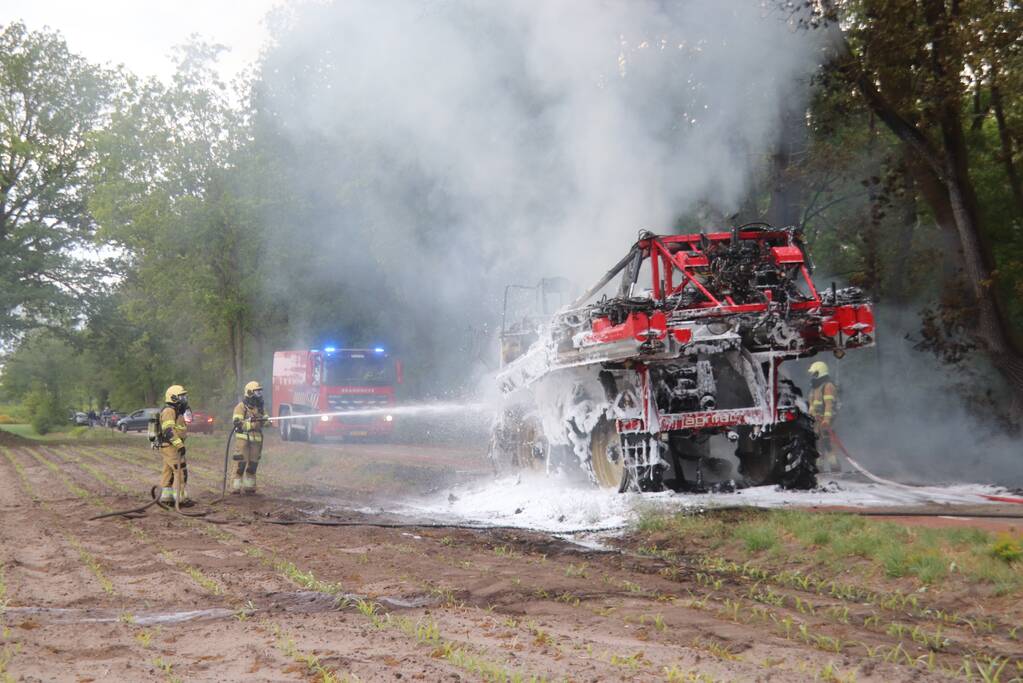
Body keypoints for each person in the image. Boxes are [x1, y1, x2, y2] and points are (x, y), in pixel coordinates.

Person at [231, 381, 266, 494]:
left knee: (253, 464)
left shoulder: (259, 407)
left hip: (256, 441)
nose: (259, 394)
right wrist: (252, 425)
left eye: (260, 391)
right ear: (250, 393)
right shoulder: (241, 407)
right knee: (240, 464)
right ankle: (235, 487)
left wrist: (267, 421)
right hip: (243, 440)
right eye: (257, 392)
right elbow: (237, 423)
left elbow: (265, 418)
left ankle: (249, 487)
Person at [158, 385, 191, 504]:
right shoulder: (169, 411)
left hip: (169, 446)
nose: (184, 399)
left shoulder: (175, 411)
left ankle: (166, 497)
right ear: (173, 398)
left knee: (168, 471)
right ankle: (180, 498)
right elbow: (168, 431)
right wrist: (179, 445)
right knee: (180, 470)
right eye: (182, 396)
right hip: (171, 446)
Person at [807, 361, 842, 473]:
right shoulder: (814, 388)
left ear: (820, 373)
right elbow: (812, 405)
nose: (812, 376)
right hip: (816, 421)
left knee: (827, 443)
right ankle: (819, 467)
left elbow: (829, 405)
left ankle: (835, 467)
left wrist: (826, 420)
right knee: (818, 444)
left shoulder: (828, 386)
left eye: (814, 374)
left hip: (825, 421)